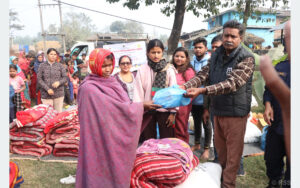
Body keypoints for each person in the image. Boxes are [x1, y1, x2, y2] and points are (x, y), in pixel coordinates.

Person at [181, 20, 255, 188]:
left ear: (240, 38)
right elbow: (204, 74)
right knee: (220, 152)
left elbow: (232, 84)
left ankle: (228, 184)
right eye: (226, 35)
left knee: (233, 155)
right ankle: (219, 181)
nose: (228, 39)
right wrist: (186, 86)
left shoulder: (246, 58)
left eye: (233, 36)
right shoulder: (216, 54)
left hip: (236, 113)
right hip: (218, 110)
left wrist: (202, 91)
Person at [75, 48, 161, 188]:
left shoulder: (112, 81)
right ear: (94, 65)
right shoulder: (88, 88)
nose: (108, 69)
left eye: (110, 65)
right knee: (98, 162)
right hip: (96, 135)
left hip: (114, 131)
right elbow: (112, 108)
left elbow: (124, 105)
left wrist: (138, 108)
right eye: (103, 66)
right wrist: (141, 107)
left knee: (115, 163)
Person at [262, 20, 290, 188]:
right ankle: (274, 183)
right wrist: (267, 105)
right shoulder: (280, 66)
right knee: (272, 159)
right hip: (276, 123)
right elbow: (269, 90)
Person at [133, 39, 178, 143]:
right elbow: (138, 92)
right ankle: (151, 158)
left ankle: (166, 159)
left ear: (163, 52)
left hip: (165, 110)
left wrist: (173, 113)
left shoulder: (169, 69)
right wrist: (140, 108)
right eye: (153, 52)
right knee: (149, 140)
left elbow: (173, 92)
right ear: (147, 53)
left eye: (159, 52)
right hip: (148, 110)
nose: (156, 55)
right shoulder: (142, 69)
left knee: (167, 140)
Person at [189, 37, 212, 160]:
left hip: (206, 99)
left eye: (200, 47)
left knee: (206, 124)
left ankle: (207, 148)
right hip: (194, 99)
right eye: (196, 47)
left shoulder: (210, 62)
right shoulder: (191, 63)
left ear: (205, 48)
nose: (198, 50)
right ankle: (197, 144)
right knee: (196, 123)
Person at [171, 47, 195, 144]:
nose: (179, 59)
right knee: (173, 127)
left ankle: (183, 148)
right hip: (171, 104)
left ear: (186, 58)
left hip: (183, 104)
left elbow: (192, 89)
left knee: (181, 127)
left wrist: (186, 101)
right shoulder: (171, 69)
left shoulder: (188, 71)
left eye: (182, 57)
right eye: (177, 56)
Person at [37, 48, 67, 113]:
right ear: (47, 55)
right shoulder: (42, 65)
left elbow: (65, 77)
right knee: (48, 115)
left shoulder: (60, 66)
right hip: (46, 94)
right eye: (51, 54)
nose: (53, 56)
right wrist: (47, 89)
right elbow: (39, 79)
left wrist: (59, 82)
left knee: (58, 114)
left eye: (55, 54)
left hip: (58, 94)